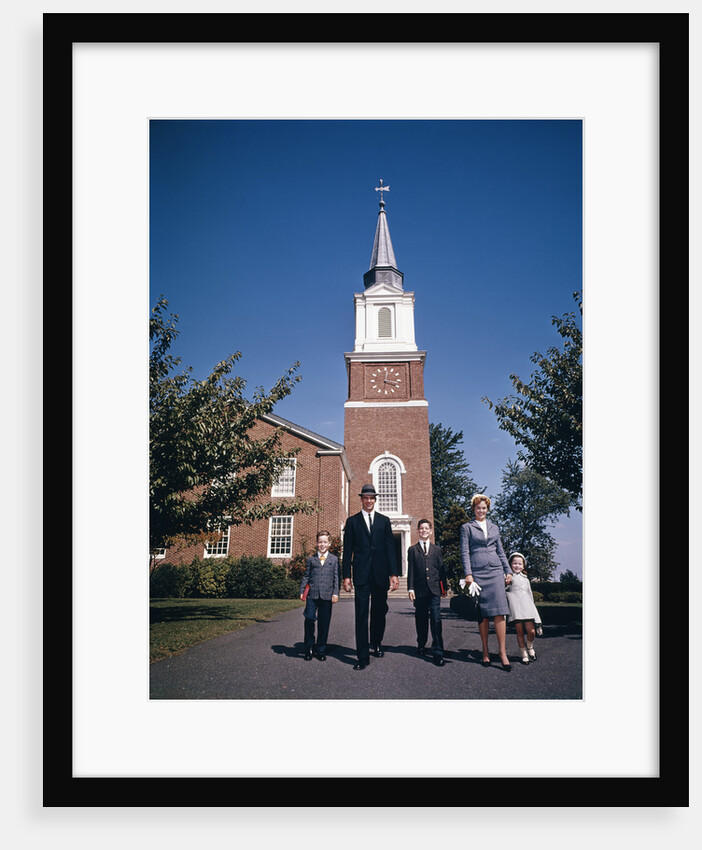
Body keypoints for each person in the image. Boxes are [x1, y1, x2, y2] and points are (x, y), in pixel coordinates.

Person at [342, 483, 399, 670]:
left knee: (379, 611)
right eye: (365, 498)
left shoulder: (384, 521)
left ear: (375, 500)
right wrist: (346, 576)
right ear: (361, 499)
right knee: (361, 615)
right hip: (361, 574)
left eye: (371, 498)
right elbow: (347, 551)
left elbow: (391, 548)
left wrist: (393, 573)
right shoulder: (352, 522)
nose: (369, 501)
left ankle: (376, 642)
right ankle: (362, 657)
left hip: (381, 574)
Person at [460, 494, 514, 671]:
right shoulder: (466, 528)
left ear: (487, 509)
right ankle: (485, 650)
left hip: (496, 570)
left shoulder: (494, 527)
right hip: (478, 572)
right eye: (478, 508)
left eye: (484, 508)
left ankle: (502, 652)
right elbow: (465, 552)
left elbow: (501, 550)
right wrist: (468, 573)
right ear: (473, 509)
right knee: (482, 614)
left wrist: (508, 571)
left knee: (500, 612)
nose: (481, 511)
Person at [407, 519, 447, 666]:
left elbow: (441, 570)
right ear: (418, 531)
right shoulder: (412, 550)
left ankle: (438, 652)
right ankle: (421, 643)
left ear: (430, 531)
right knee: (421, 619)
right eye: (421, 528)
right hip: (420, 590)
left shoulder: (437, 550)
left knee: (436, 620)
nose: (424, 531)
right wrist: (410, 588)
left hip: (435, 589)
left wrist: (444, 589)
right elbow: (410, 570)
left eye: (426, 528)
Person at [299, 531, 340, 661]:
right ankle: (309, 647)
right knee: (309, 619)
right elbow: (306, 576)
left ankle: (321, 649)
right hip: (312, 595)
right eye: (320, 542)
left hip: (327, 595)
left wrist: (335, 593)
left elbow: (336, 578)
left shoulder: (333, 560)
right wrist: (302, 591)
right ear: (317, 543)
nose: (322, 544)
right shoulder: (311, 559)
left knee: (324, 623)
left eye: (325, 542)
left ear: (329, 544)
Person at [505, 552, 542, 664]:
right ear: (510, 564)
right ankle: (523, 653)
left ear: (523, 565)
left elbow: (530, 595)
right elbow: (504, 590)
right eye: (514, 563)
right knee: (520, 632)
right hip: (515, 608)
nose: (517, 566)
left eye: (520, 564)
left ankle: (530, 647)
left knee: (531, 631)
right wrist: (506, 581)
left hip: (527, 607)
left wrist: (535, 613)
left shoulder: (526, 579)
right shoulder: (508, 577)